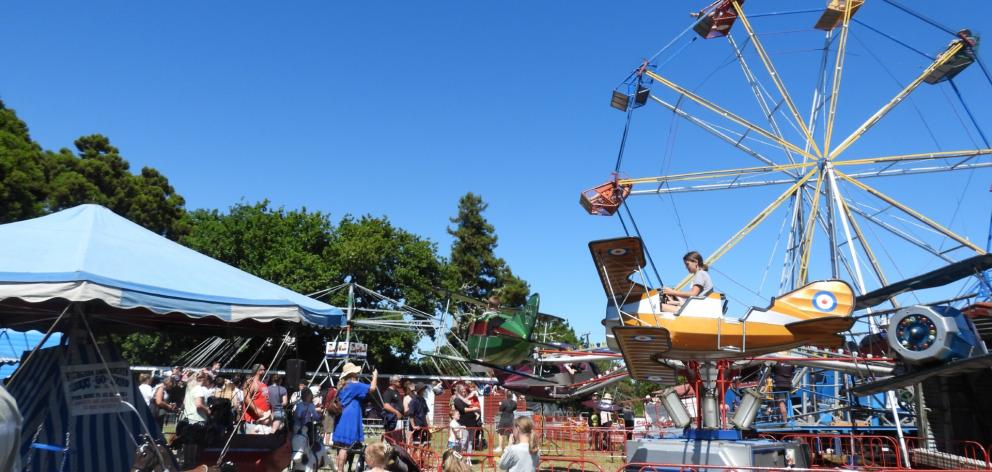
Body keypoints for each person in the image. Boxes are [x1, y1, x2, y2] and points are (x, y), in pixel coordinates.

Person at [332, 362, 378, 472]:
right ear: (352, 373)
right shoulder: (354, 385)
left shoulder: (343, 386)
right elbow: (372, 388)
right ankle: (340, 470)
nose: (358, 374)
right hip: (350, 418)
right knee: (345, 447)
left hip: (342, 417)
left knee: (340, 447)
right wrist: (375, 375)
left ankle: (340, 469)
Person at [243, 364, 272, 432]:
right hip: (253, 421)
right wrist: (256, 410)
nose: (265, 372)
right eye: (263, 370)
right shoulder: (250, 382)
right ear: (258, 371)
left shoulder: (262, 384)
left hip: (263, 420)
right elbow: (246, 398)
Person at [452, 383, 480, 453]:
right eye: (462, 390)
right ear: (458, 391)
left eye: (464, 390)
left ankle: (468, 459)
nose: (464, 392)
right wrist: (473, 409)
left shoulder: (466, 399)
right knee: (464, 441)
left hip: (472, 422)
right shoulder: (457, 400)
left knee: (470, 441)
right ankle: (459, 455)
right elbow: (463, 409)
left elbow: (471, 402)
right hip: (464, 423)